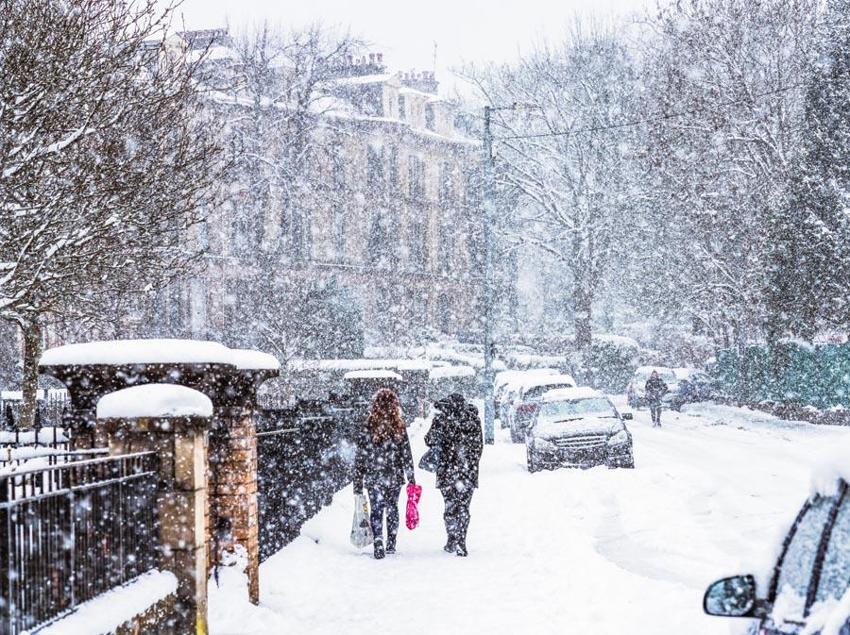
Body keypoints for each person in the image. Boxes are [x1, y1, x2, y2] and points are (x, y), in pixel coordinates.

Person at [353, 388, 415, 559]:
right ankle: (391, 542)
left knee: (376, 509)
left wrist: (357, 481)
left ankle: (378, 538)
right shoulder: (399, 426)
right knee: (392, 508)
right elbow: (406, 454)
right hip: (394, 475)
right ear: (395, 405)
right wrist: (411, 477)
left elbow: (361, 456)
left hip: (374, 476)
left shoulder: (368, 426)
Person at [424, 393, 483, 557]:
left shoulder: (441, 419)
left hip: (447, 469)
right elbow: (479, 447)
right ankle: (461, 540)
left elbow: (429, 440)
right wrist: (470, 464)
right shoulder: (473, 419)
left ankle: (451, 538)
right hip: (467, 471)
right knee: (464, 506)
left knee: (450, 506)